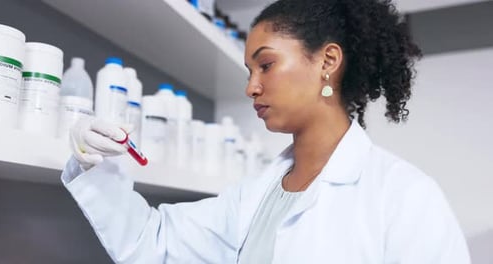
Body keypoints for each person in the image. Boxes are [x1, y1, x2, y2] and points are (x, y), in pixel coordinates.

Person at [62, 0, 471, 263]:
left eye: (266, 65)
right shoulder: (255, 196)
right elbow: (153, 242)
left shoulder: (404, 197)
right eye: (249, 71)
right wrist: (90, 159)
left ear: (327, 61)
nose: (251, 86)